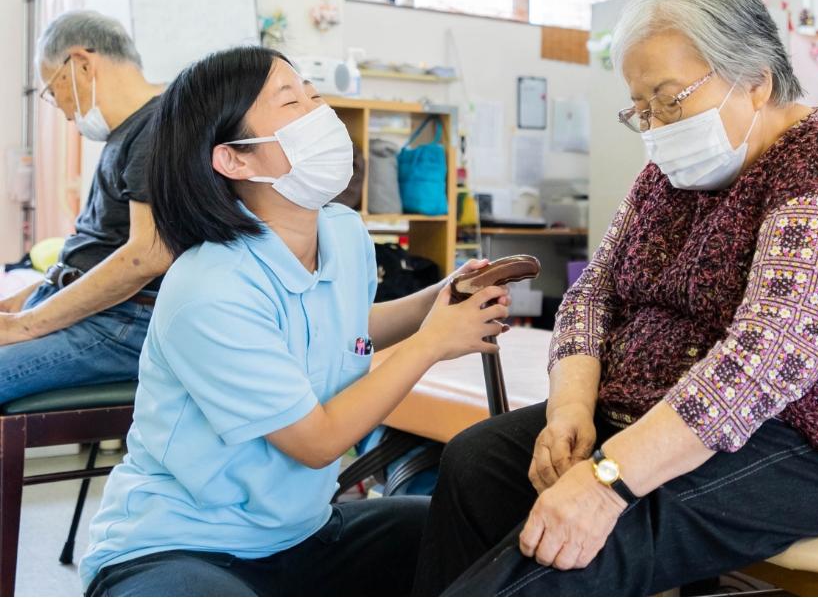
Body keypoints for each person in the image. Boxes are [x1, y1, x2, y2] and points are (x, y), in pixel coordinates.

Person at [414, 0, 818, 596]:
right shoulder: (670, 175)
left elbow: (753, 370)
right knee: (476, 464)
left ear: (756, 81)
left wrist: (607, 481)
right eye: (641, 109)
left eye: (669, 100)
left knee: (596, 537)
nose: (655, 127)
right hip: (681, 411)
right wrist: (570, 410)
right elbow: (593, 294)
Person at [80, 46, 511, 596]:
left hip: (302, 535)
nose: (319, 112)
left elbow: (347, 329)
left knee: (468, 534)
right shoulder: (209, 287)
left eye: (313, 94)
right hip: (180, 546)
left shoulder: (343, 233)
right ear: (234, 159)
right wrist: (429, 345)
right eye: (292, 101)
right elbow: (316, 441)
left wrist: (441, 298)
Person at [0, 10, 168, 403]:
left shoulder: (157, 129)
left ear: (82, 63)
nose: (58, 105)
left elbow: (148, 255)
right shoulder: (126, 133)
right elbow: (95, 249)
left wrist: (24, 325)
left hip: (122, 321)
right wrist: (18, 304)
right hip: (94, 310)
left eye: (52, 89)